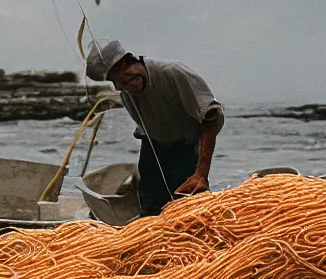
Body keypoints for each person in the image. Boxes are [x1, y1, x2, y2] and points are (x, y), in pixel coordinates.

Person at [85, 40, 224, 217]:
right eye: (114, 82)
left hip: (187, 147)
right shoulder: (126, 93)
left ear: (128, 61)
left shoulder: (174, 73)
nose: (122, 87)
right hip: (154, 144)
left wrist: (201, 173)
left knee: (192, 206)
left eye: (123, 78)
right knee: (151, 209)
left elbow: (210, 116)